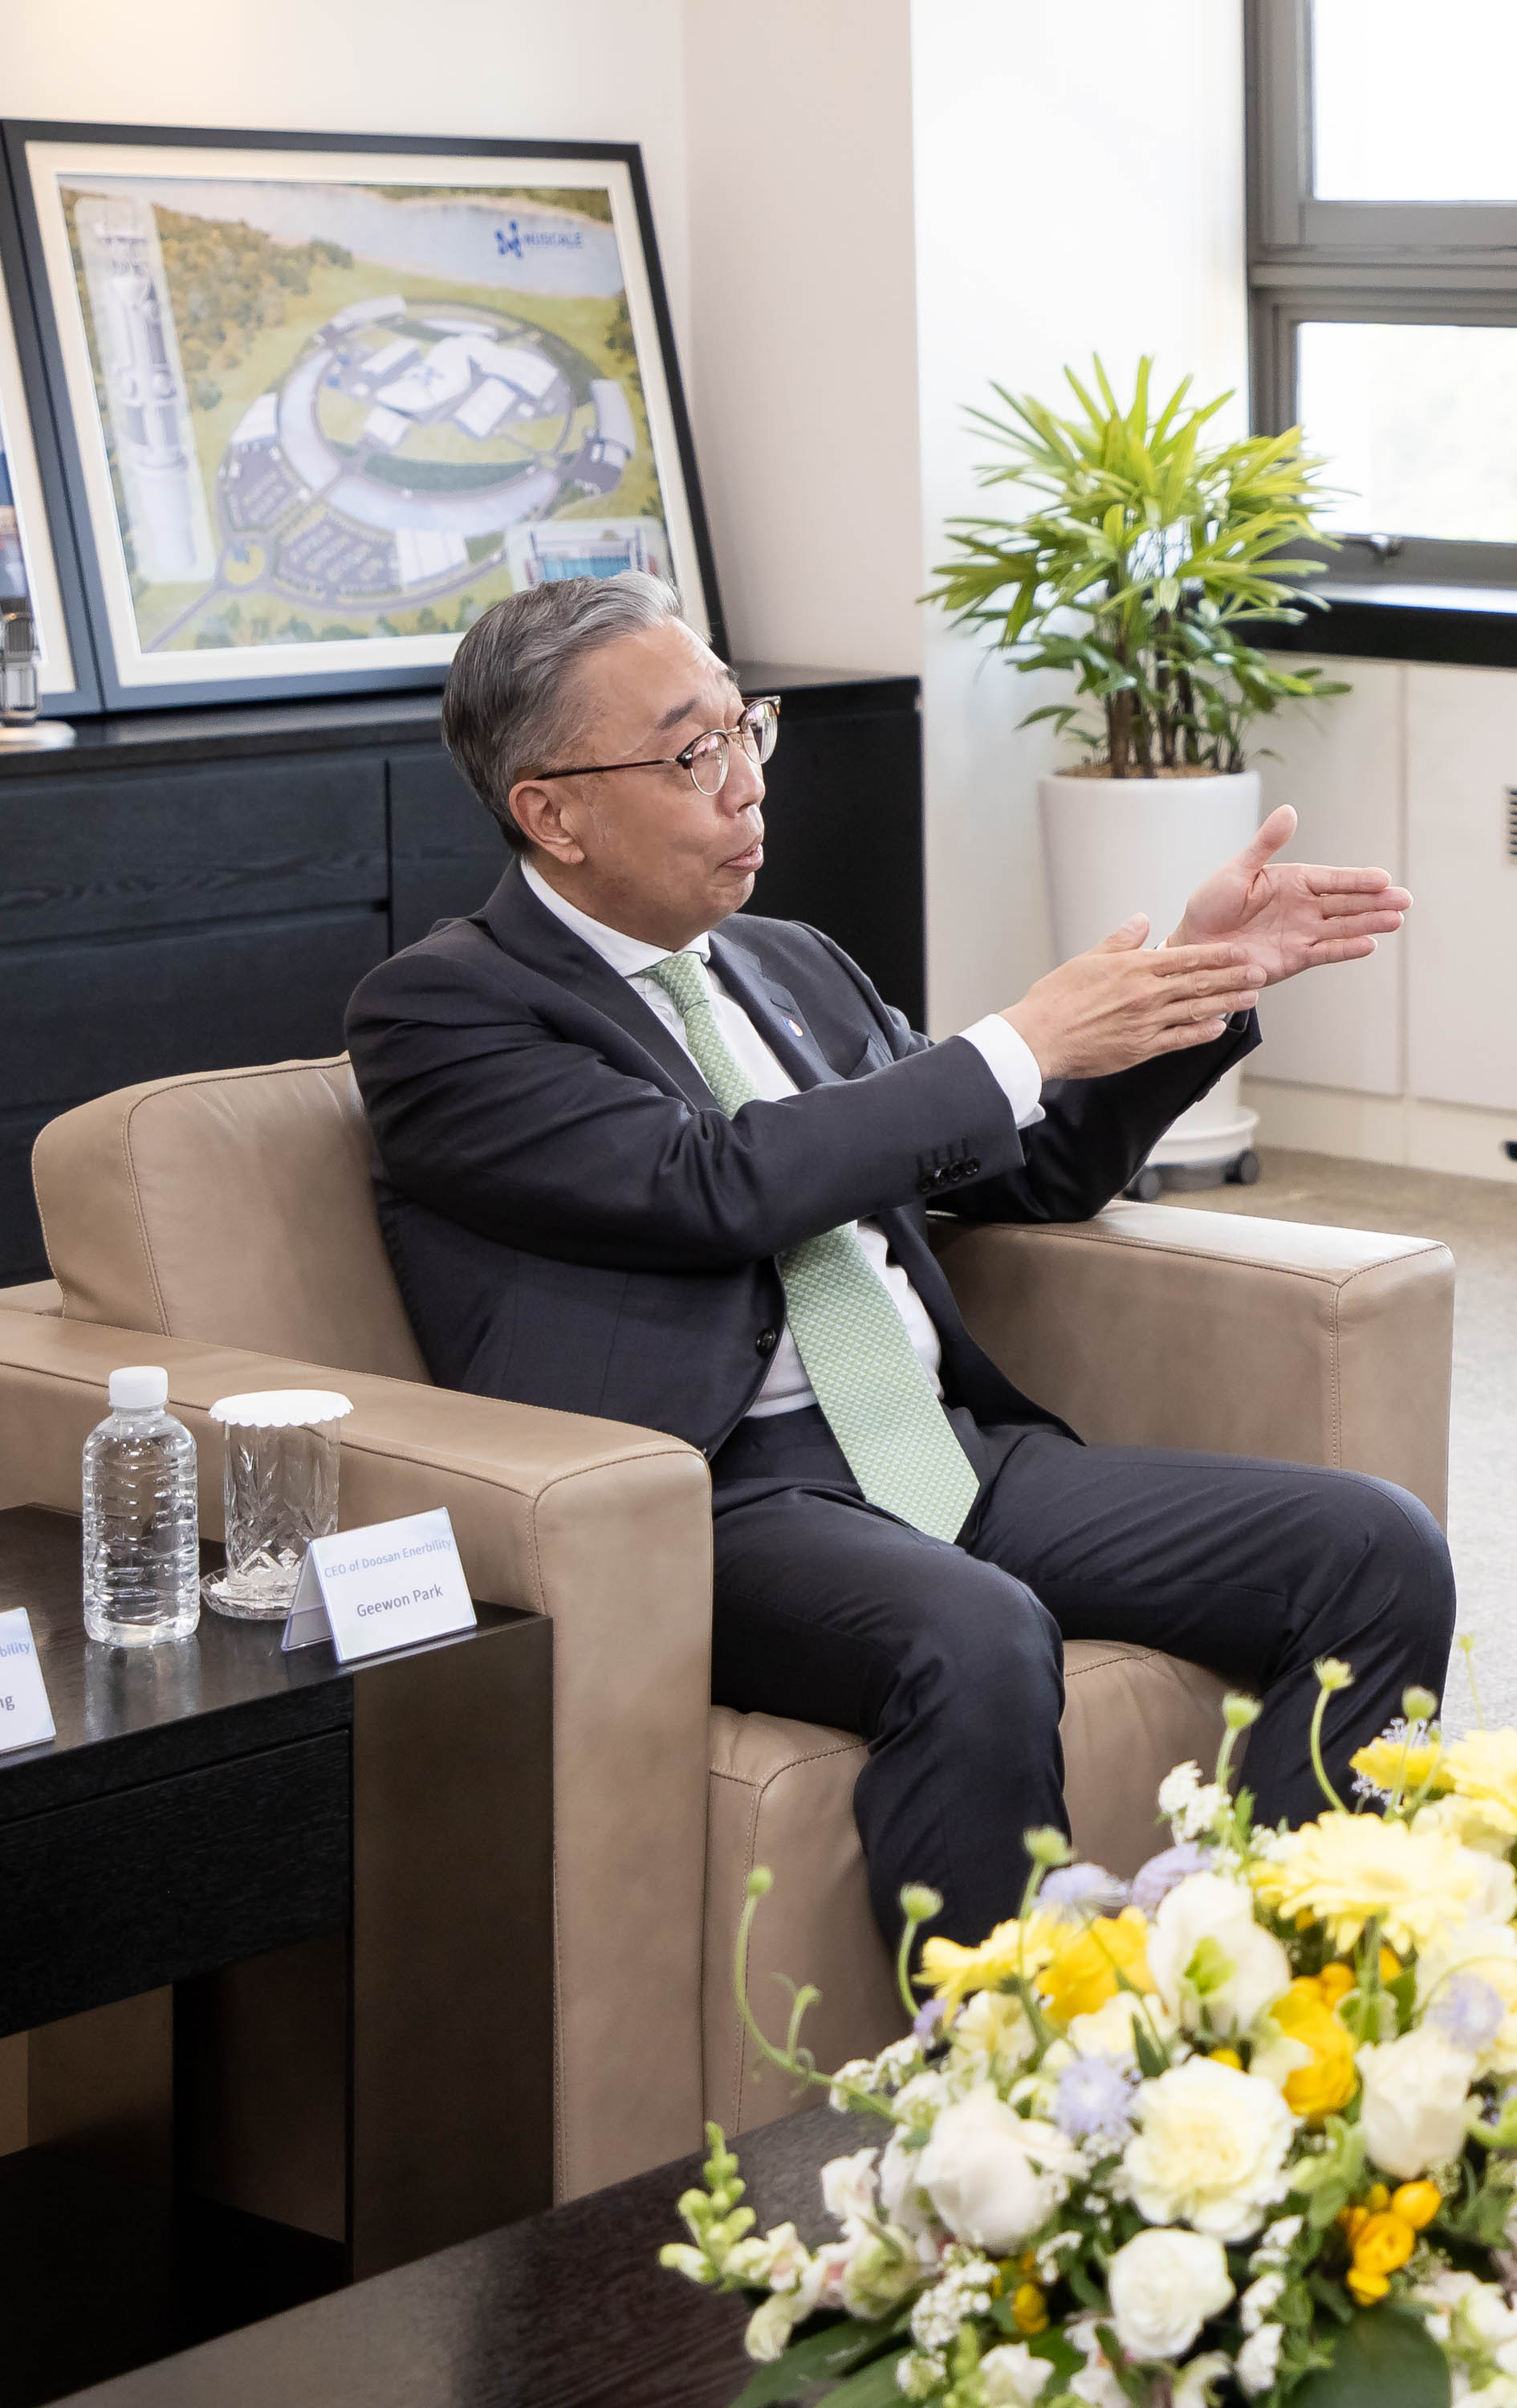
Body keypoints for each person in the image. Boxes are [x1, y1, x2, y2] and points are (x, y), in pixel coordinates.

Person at [348, 571, 1450, 1948]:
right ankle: (994, 2099)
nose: (746, 783)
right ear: (551, 813)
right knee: (975, 1631)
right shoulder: (444, 1015)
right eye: (694, 752)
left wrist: (1194, 986)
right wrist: (1020, 1039)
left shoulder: (791, 963)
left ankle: (1291, 1994)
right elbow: (718, 1184)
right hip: (717, 1504)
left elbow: (1026, 1165)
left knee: (1373, 1547)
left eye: (747, 730)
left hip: (939, 1452)